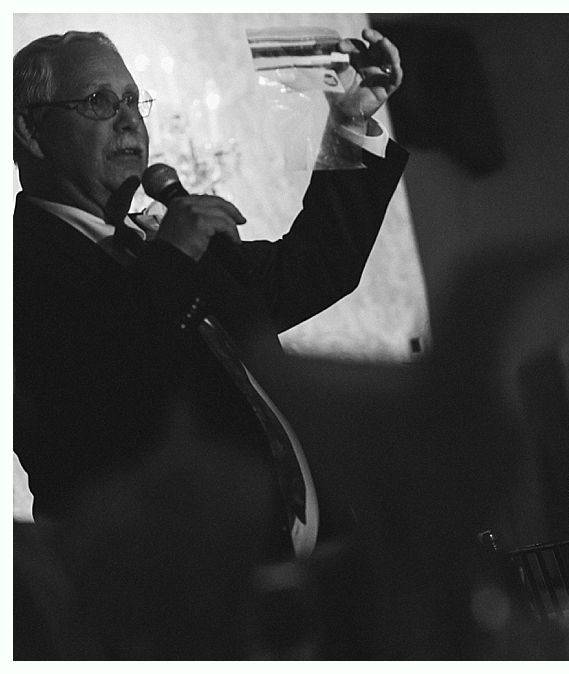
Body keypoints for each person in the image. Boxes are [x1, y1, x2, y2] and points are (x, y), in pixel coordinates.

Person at [13, 28, 407, 563]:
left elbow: (309, 269)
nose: (129, 120)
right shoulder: (23, 273)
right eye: (97, 102)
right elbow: (97, 403)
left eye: (132, 100)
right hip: (178, 603)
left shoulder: (155, 242)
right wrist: (171, 260)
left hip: (310, 571)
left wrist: (349, 124)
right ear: (30, 132)